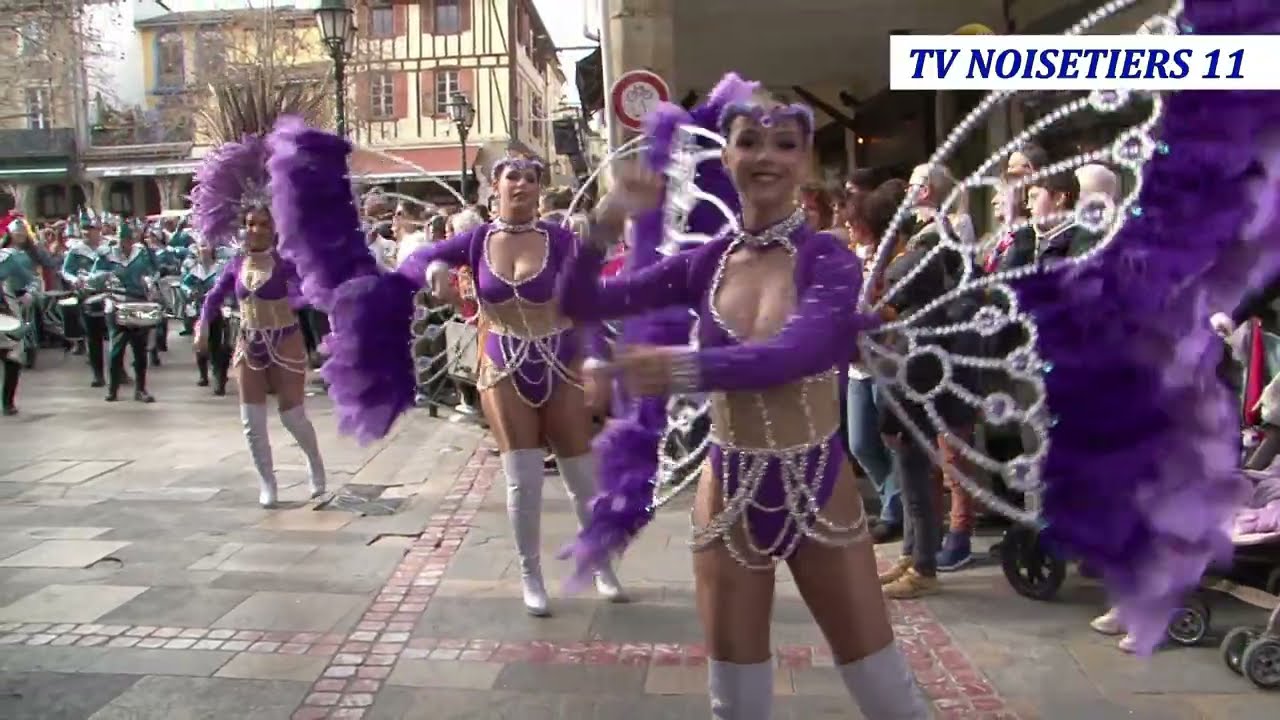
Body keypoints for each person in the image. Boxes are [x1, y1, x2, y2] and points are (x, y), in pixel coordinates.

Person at [557, 76, 927, 719]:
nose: (766, 157)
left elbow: (796, 355)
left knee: (885, 693)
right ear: (724, 157)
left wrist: (685, 369)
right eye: (748, 141)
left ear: (805, 162)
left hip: (820, 492)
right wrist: (608, 218)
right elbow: (582, 301)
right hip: (728, 493)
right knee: (735, 703)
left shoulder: (830, 261)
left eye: (785, 144)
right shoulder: (708, 263)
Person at [266, 118, 626, 617]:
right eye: (512, 176)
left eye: (531, 177)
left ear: (540, 190)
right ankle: (530, 574)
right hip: (503, 365)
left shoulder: (561, 241)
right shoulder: (476, 241)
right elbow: (418, 262)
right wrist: (432, 268)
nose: (522, 184)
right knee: (521, 478)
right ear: (494, 188)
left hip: (559, 363)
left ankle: (599, 562)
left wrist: (594, 359)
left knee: (580, 474)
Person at [191, 134, 327, 508]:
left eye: (262, 224)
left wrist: (299, 296)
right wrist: (203, 324)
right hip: (248, 344)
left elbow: (305, 290)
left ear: (274, 227)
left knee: (292, 415)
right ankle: (268, 484)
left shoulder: (284, 263)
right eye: (250, 223)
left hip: (284, 341)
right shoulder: (236, 263)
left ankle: (315, 464)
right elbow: (215, 296)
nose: (255, 230)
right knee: (252, 421)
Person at [89, 221, 159, 403]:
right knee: (116, 349)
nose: (123, 244)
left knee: (140, 349)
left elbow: (154, 270)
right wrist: (105, 277)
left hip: (138, 303)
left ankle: (141, 389)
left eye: (127, 240)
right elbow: (93, 277)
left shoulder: (142, 254)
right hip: (116, 304)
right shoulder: (106, 256)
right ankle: (113, 389)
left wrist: (150, 282)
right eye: (120, 240)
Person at [61, 215, 109, 387]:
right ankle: (98, 374)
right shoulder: (76, 251)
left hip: (110, 295)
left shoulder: (109, 248)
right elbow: (66, 271)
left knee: (117, 336)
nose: (88, 233)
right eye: (85, 229)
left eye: (92, 229)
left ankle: (120, 371)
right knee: (94, 337)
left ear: (99, 230)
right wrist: (74, 280)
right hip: (88, 296)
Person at [182, 237, 230, 394]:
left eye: (207, 246)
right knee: (201, 345)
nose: (204, 249)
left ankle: (219, 379)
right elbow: (184, 284)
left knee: (219, 346)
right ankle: (203, 374)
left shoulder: (221, 268)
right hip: (198, 310)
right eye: (201, 246)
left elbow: (229, 286)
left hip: (217, 311)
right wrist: (189, 291)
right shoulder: (193, 269)